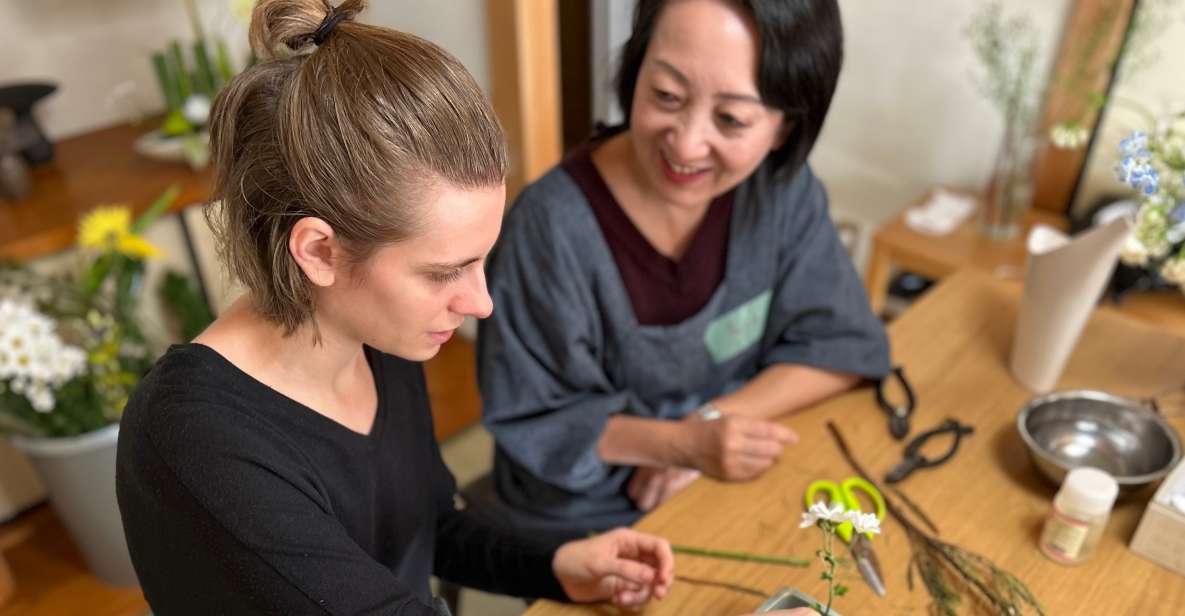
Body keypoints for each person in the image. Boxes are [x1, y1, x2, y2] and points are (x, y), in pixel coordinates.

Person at [114, 1, 675, 613]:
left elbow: (427, 526)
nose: (481, 303)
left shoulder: (376, 334)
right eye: (444, 272)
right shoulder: (196, 441)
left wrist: (554, 564)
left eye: (480, 259)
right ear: (320, 251)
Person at [478, 0, 891, 535]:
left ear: (784, 128)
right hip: (579, 510)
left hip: (717, 477)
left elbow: (839, 348)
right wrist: (678, 445)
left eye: (731, 119)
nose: (687, 143)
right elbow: (535, 416)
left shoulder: (780, 194)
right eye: (666, 96)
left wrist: (711, 427)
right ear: (636, 68)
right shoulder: (550, 230)